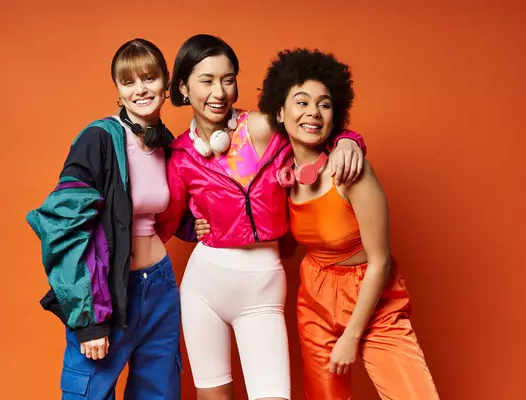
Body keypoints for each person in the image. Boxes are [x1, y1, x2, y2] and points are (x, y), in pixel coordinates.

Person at [155, 34, 367, 400]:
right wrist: (191, 227)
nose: (219, 91)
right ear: (184, 87)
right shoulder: (179, 153)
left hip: (263, 285)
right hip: (203, 286)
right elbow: (166, 221)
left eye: (228, 78)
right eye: (206, 80)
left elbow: (311, 121)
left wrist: (350, 140)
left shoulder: (262, 126)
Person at [252, 48, 441, 400]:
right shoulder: (281, 175)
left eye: (324, 104)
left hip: (373, 294)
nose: (313, 112)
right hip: (315, 297)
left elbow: (380, 261)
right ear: (280, 111)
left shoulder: (352, 171)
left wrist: (352, 335)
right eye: (302, 102)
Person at [26, 38, 190, 400]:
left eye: (148, 78)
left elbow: (177, 209)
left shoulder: (167, 144)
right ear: (118, 91)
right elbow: (63, 228)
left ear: (166, 84)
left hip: (160, 287)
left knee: (158, 394)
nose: (140, 89)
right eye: (128, 81)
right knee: (89, 393)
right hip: (109, 294)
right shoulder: (99, 139)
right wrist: (89, 320)